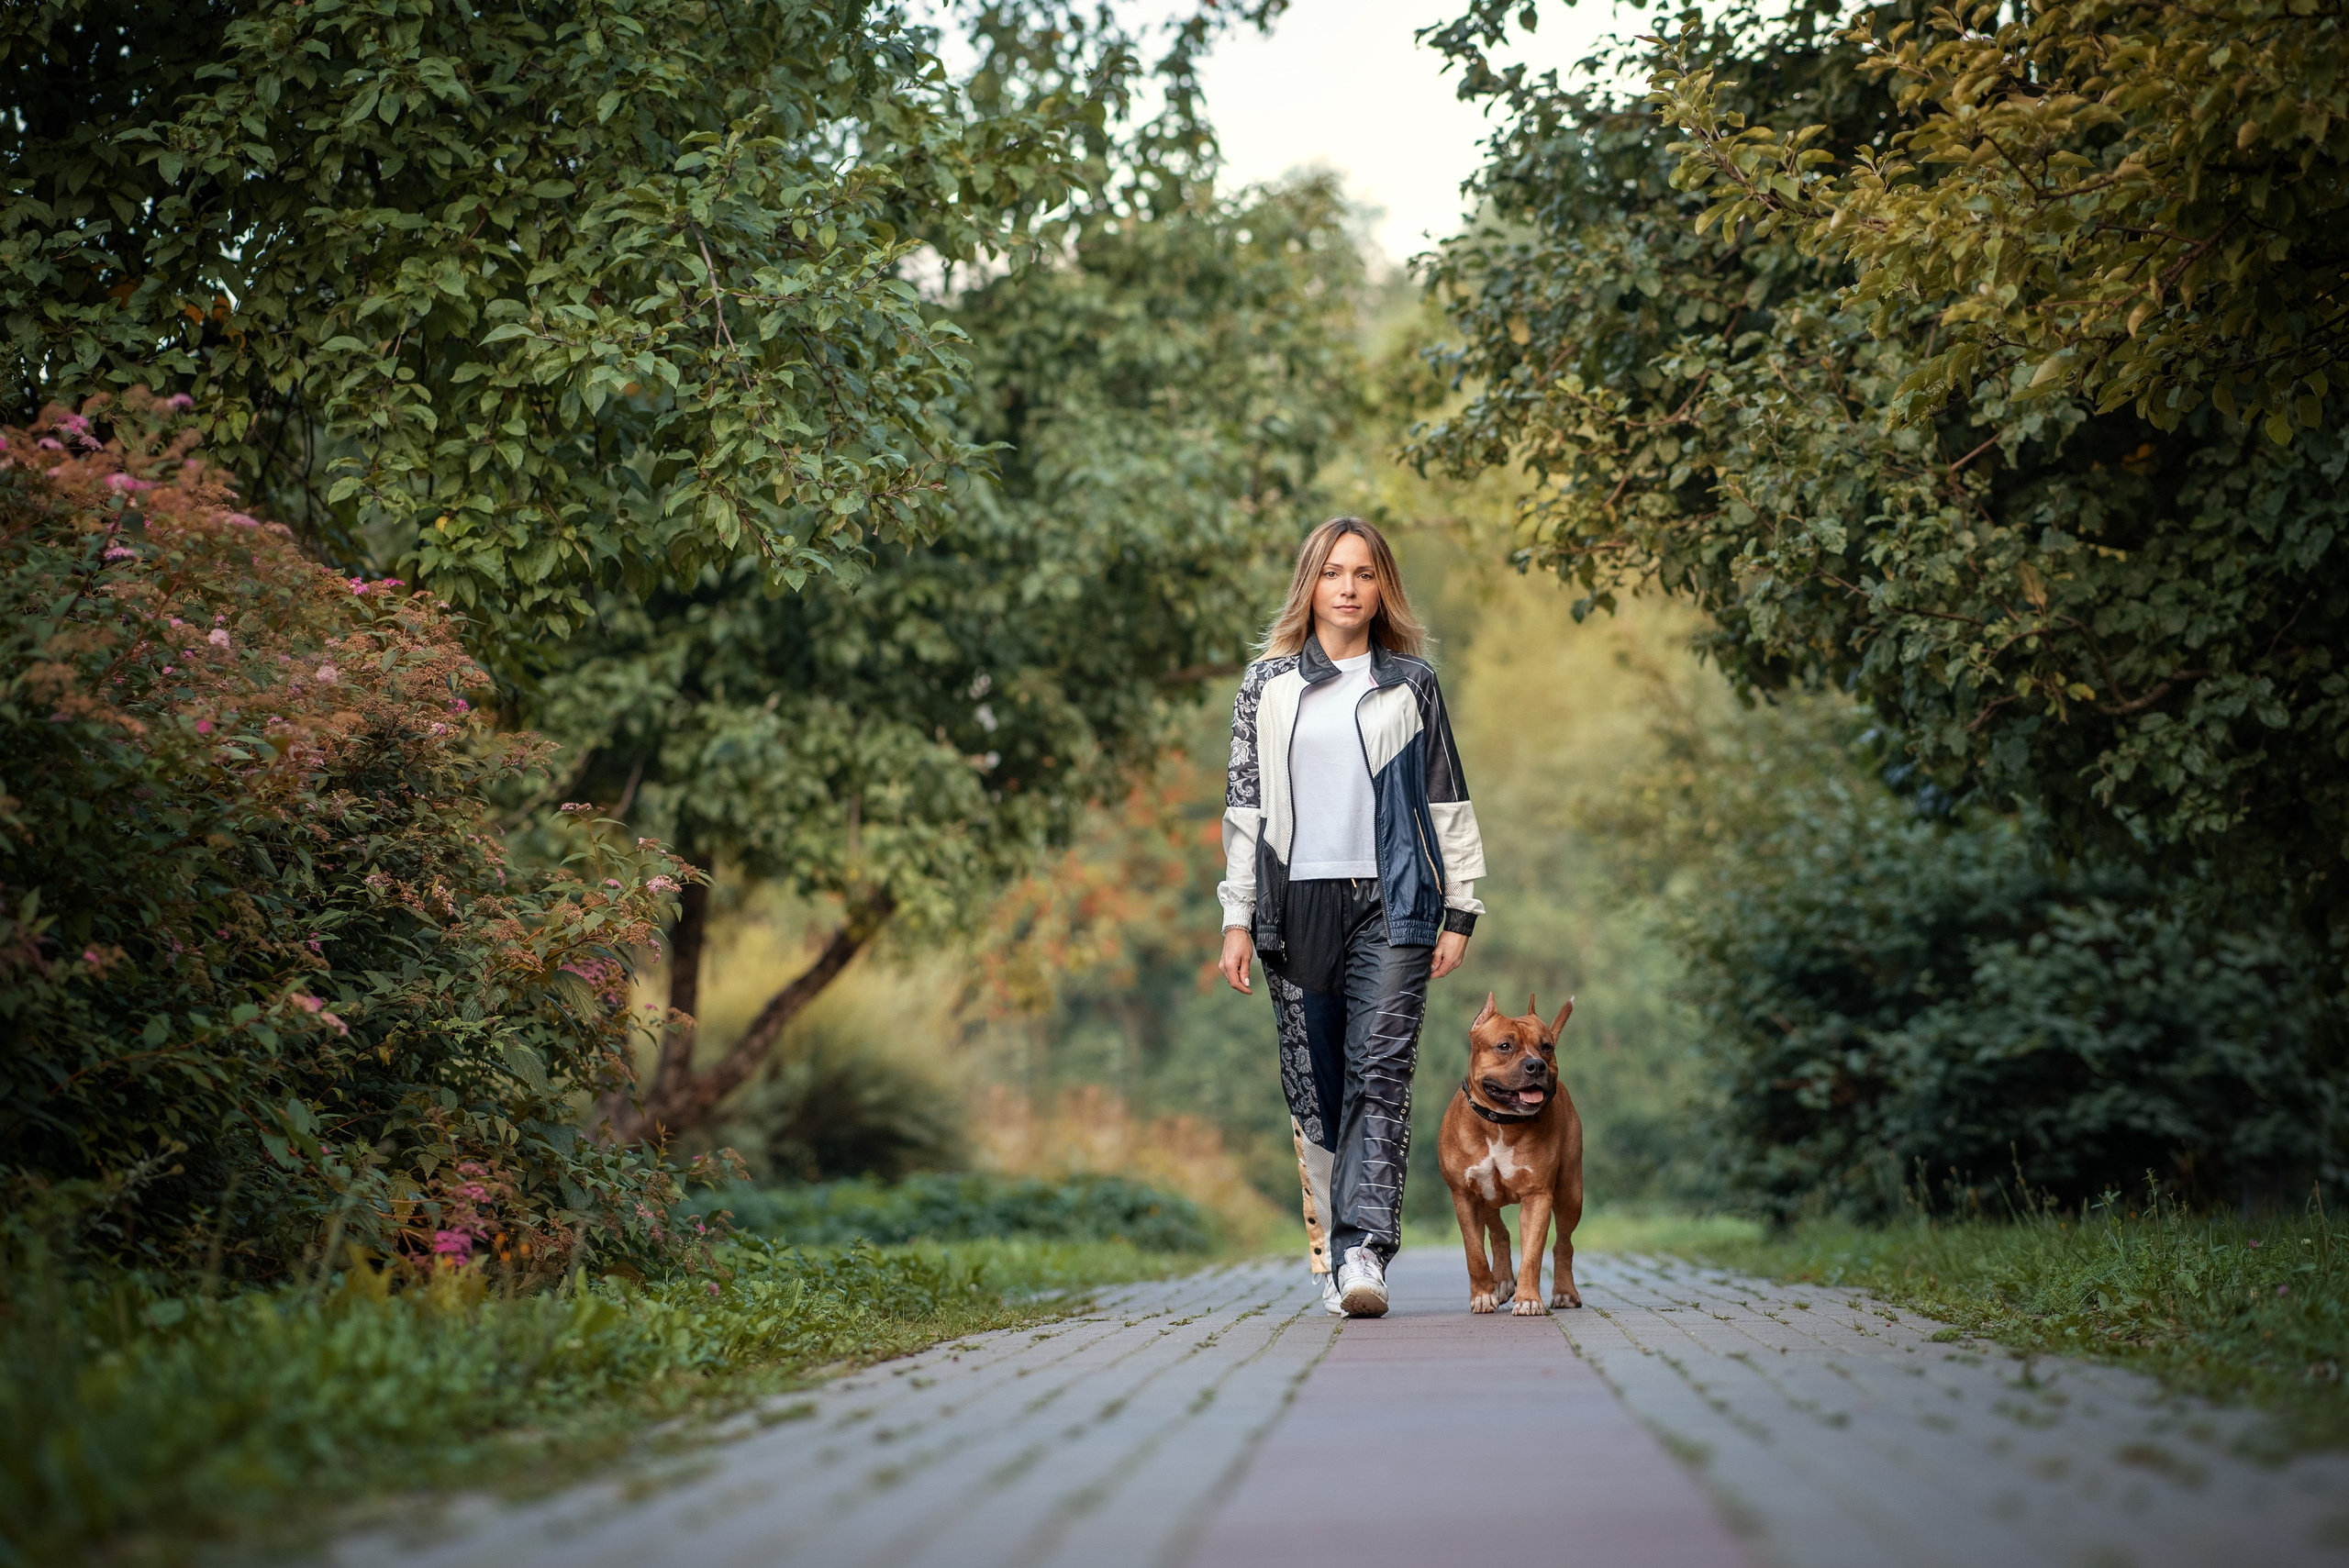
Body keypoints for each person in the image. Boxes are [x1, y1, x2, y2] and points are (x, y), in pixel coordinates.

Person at [1216, 517, 1484, 1318]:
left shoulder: (1410, 684)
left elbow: (1448, 798)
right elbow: (1244, 809)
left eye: (1364, 573)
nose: (1348, 587)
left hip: (1395, 901)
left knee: (1381, 1069)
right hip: (1295, 905)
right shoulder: (1266, 686)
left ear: (1382, 588)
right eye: (1334, 572)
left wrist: (1462, 903)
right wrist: (1237, 914)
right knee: (1319, 1087)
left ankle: (1365, 1251)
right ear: (1311, 584)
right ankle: (1331, 1255)